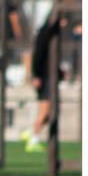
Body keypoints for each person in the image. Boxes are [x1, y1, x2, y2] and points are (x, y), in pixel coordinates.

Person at [20, 13, 67, 153]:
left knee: (51, 111)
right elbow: (38, 55)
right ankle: (33, 140)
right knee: (45, 110)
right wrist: (36, 75)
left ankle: (30, 132)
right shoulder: (45, 33)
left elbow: (50, 59)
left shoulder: (53, 34)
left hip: (50, 77)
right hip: (44, 78)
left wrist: (59, 72)